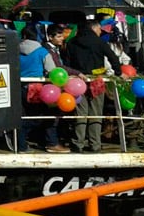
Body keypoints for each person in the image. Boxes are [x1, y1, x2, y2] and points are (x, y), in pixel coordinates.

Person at [67, 19, 128, 153]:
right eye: (100, 29)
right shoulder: (99, 42)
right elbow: (113, 58)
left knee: (80, 113)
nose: (101, 31)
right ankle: (95, 144)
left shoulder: (71, 43)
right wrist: (118, 72)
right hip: (97, 81)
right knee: (96, 112)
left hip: (77, 81)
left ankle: (78, 143)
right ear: (93, 28)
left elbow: (67, 62)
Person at [17, 26, 70, 153]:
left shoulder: (14, 51)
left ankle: (21, 145)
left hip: (19, 88)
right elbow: (52, 70)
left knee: (25, 116)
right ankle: (52, 143)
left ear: (23, 37)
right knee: (45, 117)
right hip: (37, 89)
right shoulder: (42, 52)